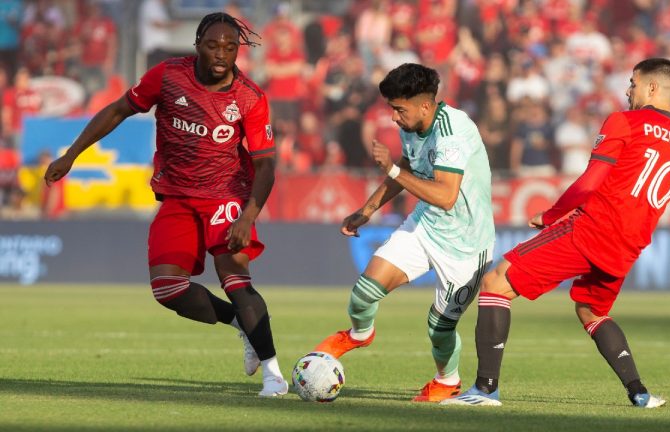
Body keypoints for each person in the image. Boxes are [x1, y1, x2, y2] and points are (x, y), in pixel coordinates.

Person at [441, 58, 670, 408]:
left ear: (652, 88)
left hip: (590, 231)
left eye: (633, 83)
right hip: (625, 250)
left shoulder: (624, 122)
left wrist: (552, 214)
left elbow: (591, 181)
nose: (628, 91)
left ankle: (485, 390)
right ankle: (639, 392)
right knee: (591, 311)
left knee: (495, 284)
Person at [43, 12, 288, 397]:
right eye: (213, 45)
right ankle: (240, 324)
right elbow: (118, 110)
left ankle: (274, 374)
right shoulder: (168, 76)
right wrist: (72, 154)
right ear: (196, 45)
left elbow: (266, 164)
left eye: (230, 46)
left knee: (234, 277)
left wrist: (249, 215)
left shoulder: (249, 98)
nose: (222, 53)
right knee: (167, 288)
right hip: (178, 195)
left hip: (226, 195)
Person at [314, 63, 495, 403]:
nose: (394, 118)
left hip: (467, 245)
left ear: (425, 105)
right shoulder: (411, 125)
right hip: (425, 226)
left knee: (439, 329)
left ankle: (447, 380)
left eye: (399, 110)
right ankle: (359, 334)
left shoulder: (453, 130)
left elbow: (445, 195)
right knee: (363, 293)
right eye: (392, 109)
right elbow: (411, 169)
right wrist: (366, 210)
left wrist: (392, 167)